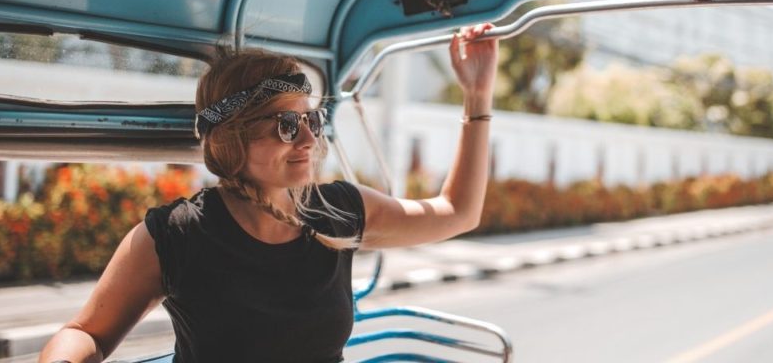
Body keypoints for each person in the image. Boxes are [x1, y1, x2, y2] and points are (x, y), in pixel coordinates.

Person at [37, 23, 497, 363]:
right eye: (285, 125)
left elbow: (458, 212)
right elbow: (87, 334)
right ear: (232, 138)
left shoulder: (338, 210)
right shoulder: (176, 235)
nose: (309, 140)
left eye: (311, 120)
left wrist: (477, 96)